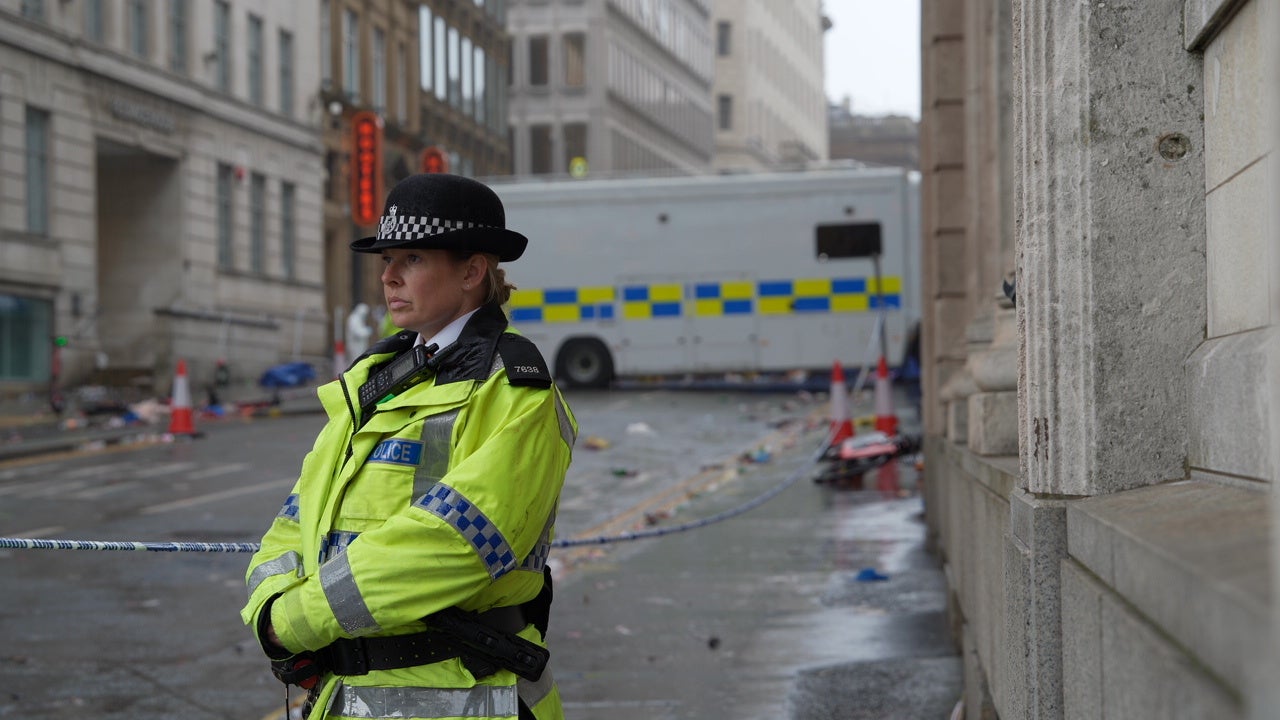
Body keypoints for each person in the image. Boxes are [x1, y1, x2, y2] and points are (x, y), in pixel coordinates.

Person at [242, 173, 577, 720]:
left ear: (472, 271)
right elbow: (296, 520)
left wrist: (296, 619)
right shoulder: (374, 382)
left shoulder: (513, 392)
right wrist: (269, 612)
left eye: (413, 259)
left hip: (467, 701)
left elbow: (456, 546)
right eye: (386, 260)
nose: (389, 276)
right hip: (346, 695)